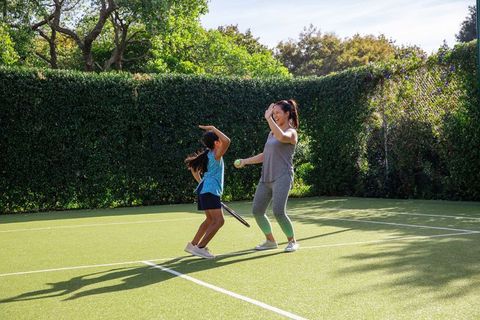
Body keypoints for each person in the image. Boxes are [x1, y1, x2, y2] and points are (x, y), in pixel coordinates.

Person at [234, 100, 300, 252]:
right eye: (273, 112)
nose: (274, 115)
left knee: (278, 211)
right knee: (257, 211)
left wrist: (268, 118)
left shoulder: (291, 132)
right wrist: (245, 161)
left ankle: (292, 241)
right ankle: (270, 241)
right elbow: (265, 155)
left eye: (277, 113)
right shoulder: (271, 133)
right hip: (266, 178)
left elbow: (282, 137)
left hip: (283, 176)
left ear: (287, 113)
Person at [184, 125, 231, 259]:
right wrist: (213, 128)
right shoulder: (216, 154)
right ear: (216, 143)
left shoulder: (208, 154)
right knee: (219, 221)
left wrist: (201, 182)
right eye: (219, 140)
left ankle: (193, 245)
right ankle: (200, 247)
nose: (222, 142)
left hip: (204, 190)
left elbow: (194, 170)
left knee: (210, 219)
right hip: (210, 190)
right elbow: (227, 141)